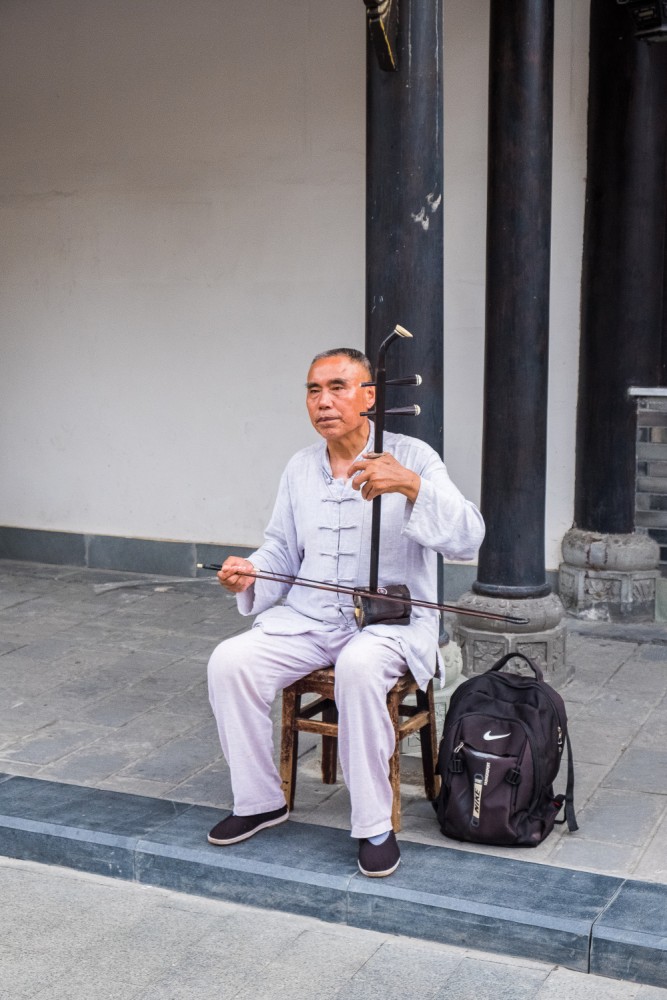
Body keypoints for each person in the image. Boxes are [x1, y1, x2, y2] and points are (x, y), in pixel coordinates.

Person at [207, 348, 484, 877]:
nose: (324, 401)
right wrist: (251, 570)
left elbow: (469, 536)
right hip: (309, 619)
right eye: (314, 390)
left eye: (338, 387)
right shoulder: (299, 467)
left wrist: (410, 485)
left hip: (390, 623)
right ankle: (260, 799)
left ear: (370, 396)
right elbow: (283, 552)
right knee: (229, 661)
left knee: (359, 668)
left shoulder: (412, 455)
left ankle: (374, 824)